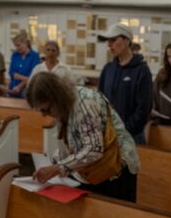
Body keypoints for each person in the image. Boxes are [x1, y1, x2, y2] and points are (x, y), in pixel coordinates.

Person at [27, 72, 140, 202]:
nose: (44, 115)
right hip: (95, 170)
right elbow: (70, 141)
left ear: (57, 97)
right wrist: (55, 162)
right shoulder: (62, 107)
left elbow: (93, 150)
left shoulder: (84, 102)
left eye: (46, 109)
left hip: (116, 169)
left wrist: (57, 168)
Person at [97, 24, 152, 144]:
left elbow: (143, 108)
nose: (109, 44)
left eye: (113, 40)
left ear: (127, 40)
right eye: (108, 41)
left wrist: (124, 131)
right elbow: (100, 100)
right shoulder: (108, 69)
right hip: (109, 135)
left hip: (132, 137)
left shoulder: (142, 70)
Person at [7, 33, 40, 98]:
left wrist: (19, 85)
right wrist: (25, 78)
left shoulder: (34, 56)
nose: (17, 48)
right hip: (13, 88)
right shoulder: (15, 55)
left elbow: (32, 76)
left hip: (26, 90)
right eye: (15, 46)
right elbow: (11, 72)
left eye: (18, 45)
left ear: (25, 44)